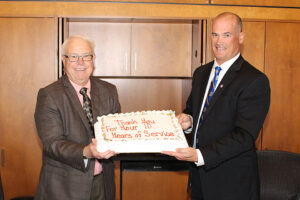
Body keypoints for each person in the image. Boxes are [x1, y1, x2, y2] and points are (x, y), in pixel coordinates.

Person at [162, 12, 270, 200]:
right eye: (215, 34)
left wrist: (199, 155)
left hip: (232, 185)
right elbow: (194, 112)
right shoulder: (201, 74)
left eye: (226, 35)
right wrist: (188, 120)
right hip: (198, 181)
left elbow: (244, 136)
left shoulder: (254, 80)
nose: (219, 41)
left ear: (241, 37)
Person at [34, 35, 121, 200]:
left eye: (86, 56)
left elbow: (117, 132)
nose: (80, 63)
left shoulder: (109, 91)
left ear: (93, 59)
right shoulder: (49, 95)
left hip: (103, 183)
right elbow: (52, 143)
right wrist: (86, 151)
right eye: (73, 57)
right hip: (64, 187)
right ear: (63, 60)